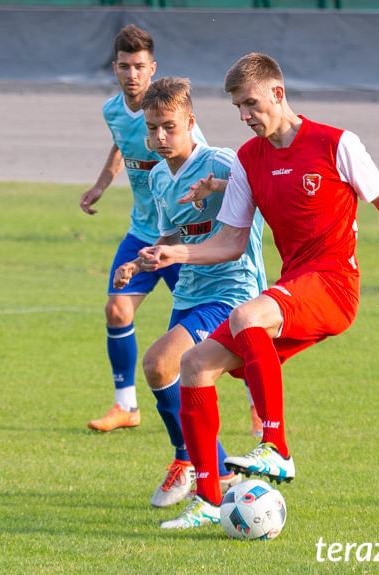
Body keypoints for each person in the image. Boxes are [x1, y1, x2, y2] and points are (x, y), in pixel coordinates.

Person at [141, 53, 379, 529]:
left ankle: (277, 449)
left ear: (278, 93)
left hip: (333, 284)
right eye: (239, 108)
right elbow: (230, 241)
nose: (245, 116)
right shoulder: (247, 160)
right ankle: (207, 498)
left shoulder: (337, 142)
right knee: (194, 365)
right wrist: (173, 254)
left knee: (245, 315)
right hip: (292, 286)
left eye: (251, 104)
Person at [112, 77, 268, 509]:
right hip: (188, 295)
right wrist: (138, 262)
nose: (159, 137)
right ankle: (213, 469)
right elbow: (169, 236)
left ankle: (194, 463)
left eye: (169, 127)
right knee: (177, 385)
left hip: (232, 292)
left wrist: (216, 187)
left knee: (159, 364)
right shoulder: (160, 177)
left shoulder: (222, 162)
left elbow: (261, 190)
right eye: (152, 128)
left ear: (190, 122)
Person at [80, 25, 209, 432]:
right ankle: (126, 407)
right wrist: (102, 182)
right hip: (142, 231)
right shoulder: (112, 111)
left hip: (181, 238)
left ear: (152, 68)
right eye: (124, 66)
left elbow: (202, 163)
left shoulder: (177, 122)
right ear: (115, 68)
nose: (131, 74)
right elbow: (121, 141)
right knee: (117, 309)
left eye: (139, 66)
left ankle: (258, 406)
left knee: (215, 334)